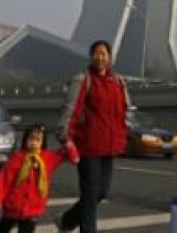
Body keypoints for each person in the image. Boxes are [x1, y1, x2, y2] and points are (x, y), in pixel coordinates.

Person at [55, 40, 129, 233]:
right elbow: (70, 110)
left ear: (110, 57)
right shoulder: (82, 80)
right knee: (90, 194)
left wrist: (123, 137)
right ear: (91, 57)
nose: (100, 57)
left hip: (109, 147)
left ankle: (66, 221)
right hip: (88, 147)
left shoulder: (118, 82)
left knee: (100, 193)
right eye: (96, 53)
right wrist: (66, 137)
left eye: (104, 53)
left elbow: (123, 113)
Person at [0, 124, 80, 232]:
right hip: (12, 208)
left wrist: (67, 141)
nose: (34, 142)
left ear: (42, 142)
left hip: (32, 211)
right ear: (26, 139)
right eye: (31, 139)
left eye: (38, 140)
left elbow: (74, 158)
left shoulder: (48, 158)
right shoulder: (17, 159)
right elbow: (0, 187)